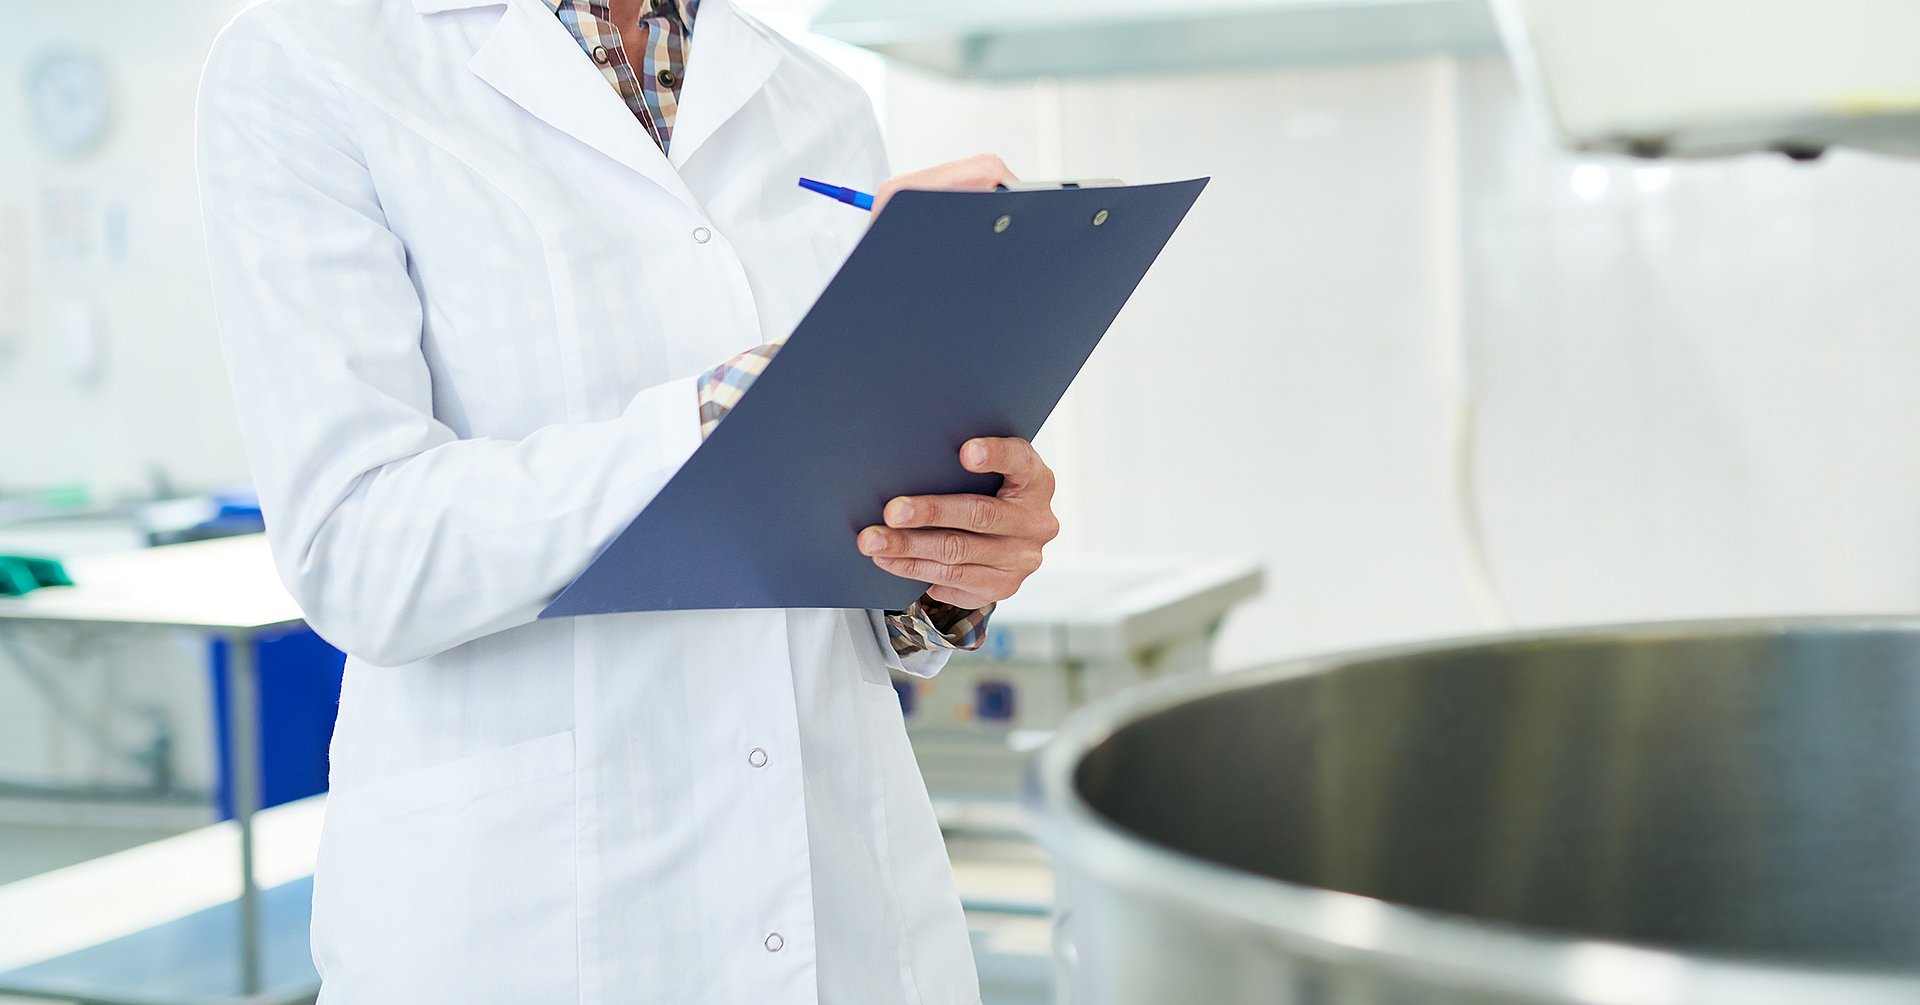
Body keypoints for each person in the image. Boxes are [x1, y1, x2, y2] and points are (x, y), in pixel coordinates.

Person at [194, 0, 1059, 1000]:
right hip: (530, 926)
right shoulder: (309, 61)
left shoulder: (818, 100)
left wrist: (948, 558)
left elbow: (838, 523)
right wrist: (714, 421)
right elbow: (359, 555)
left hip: (837, 899)